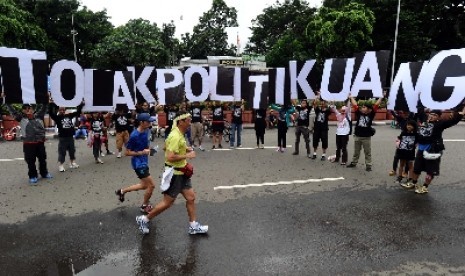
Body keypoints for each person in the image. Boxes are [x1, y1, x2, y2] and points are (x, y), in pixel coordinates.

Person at [136, 111, 208, 235]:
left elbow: (165, 147)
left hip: (183, 173)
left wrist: (184, 148)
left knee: (191, 198)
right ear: (181, 121)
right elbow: (170, 157)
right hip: (175, 175)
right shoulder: (176, 135)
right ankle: (144, 219)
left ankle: (193, 226)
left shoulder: (177, 133)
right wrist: (187, 154)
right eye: (188, 120)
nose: (190, 121)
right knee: (167, 203)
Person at [408, 107, 465, 194]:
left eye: (435, 115)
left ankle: (425, 187)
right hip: (421, 149)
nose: (432, 116)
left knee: (431, 170)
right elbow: (420, 110)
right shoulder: (424, 120)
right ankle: (414, 183)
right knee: (417, 168)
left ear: (438, 117)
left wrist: (462, 113)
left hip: (433, 150)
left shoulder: (440, 124)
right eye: (431, 114)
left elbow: (453, 121)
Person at [115, 113, 157, 213]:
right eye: (148, 121)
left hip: (144, 161)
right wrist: (142, 152)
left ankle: (122, 191)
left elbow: (145, 145)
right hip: (138, 164)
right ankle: (144, 206)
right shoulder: (134, 135)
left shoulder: (147, 130)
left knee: (143, 185)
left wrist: (150, 150)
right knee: (151, 185)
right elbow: (127, 152)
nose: (150, 123)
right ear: (141, 122)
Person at [4, 100, 52, 184]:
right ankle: (33, 176)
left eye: (29, 108)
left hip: (40, 142)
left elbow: (44, 107)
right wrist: (7, 101)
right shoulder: (21, 118)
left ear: (33, 109)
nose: (28, 110)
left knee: (42, 159)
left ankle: (44, 173)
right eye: (25, 108)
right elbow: (12, 110)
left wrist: (46, 100)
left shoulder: (39, 116)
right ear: (23, 110)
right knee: (30, 161)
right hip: (29, 144)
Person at [346, 95, 384, 171]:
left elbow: (376, 105)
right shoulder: (359, 113)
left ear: (368, 109)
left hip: (366, 137)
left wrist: (381, 97)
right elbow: (355, 104)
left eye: (364, 107)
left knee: (367, 152)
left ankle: (368, 165)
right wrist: (350, 97)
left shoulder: (371, 114)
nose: (362, 108)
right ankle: (354, 162)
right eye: (362, 107)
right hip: (357, 136)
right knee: (356, 151)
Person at [48, 99, 84, 172]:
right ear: (58, 110)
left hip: (70, 137)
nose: (62, 111)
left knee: (72, 151)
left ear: (65, 110)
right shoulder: (57, 118)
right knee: (62, 152)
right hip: (62, 138)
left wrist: (80, 104)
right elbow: (50, 113)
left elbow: (78, 112)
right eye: (61, 109)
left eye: (63, 109)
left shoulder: (69, 116)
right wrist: (51, 104)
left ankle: (72, 163)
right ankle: (61, 165)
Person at [395, 120, 418, 186]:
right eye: (408, 125)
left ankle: (410, 178)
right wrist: (397, 141)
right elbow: (399, 138)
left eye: (411, 125)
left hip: (410, 152)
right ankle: (400, 176)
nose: (409, 126)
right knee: (401, 164)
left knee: (410, 166)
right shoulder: (403, 132)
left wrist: (416, 144)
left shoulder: (416, 134)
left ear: (414, 127)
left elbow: (418, 141)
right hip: (402, 151)